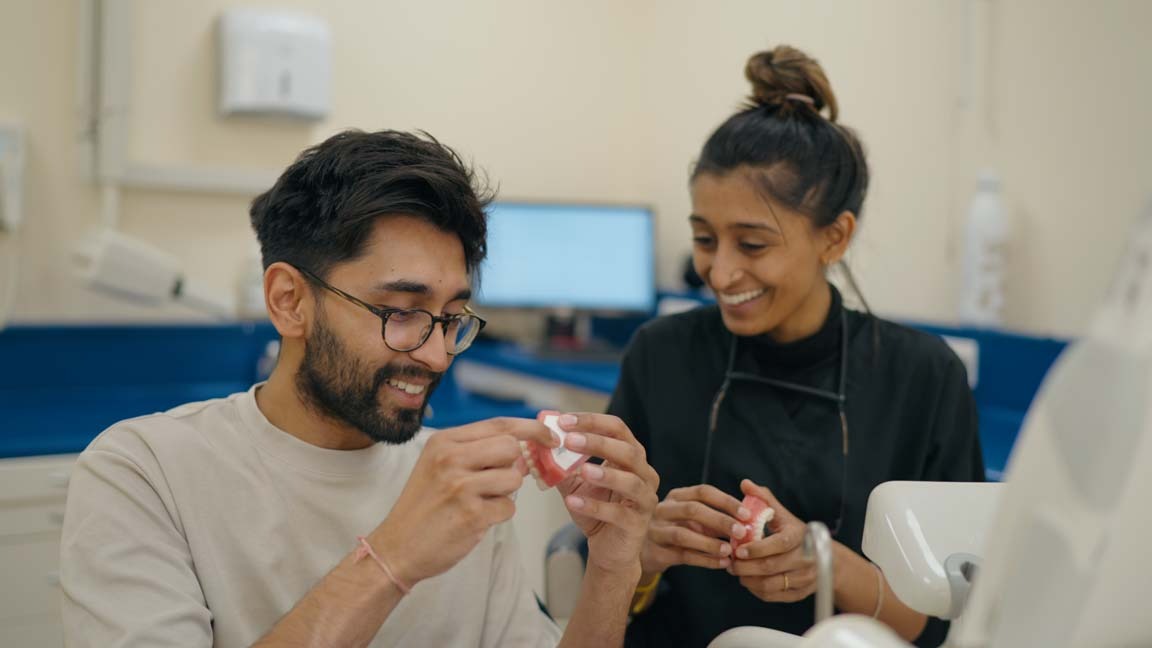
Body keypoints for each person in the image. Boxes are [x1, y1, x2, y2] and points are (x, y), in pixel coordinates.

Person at [60, 129, 659, 647]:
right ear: (289, 302)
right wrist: (392, 558)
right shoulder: (143, 474)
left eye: (452, 318)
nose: (435, 355)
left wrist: (612, 569)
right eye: (400, 311)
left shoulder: (458, 484)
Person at [611, 46, 984, 647]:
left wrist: (828, 566)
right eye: (704, 239)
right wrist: (643, 552)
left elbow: (952, 627)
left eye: (753, 245)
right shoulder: (660, 356)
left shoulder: (924, 379)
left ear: (834, 237)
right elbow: (597, 587)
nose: (721, 272)